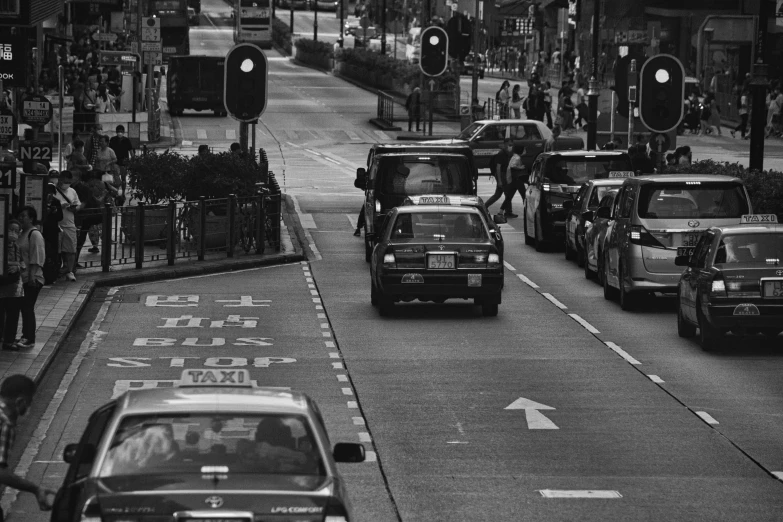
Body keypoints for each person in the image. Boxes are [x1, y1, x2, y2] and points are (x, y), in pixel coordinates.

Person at [0, 375, 56, 519]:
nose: (29, 408)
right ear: (20, 402)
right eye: (29, 402)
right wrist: (35, 489)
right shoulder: (5, 425)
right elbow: (1, 473)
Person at [15, 207, 46, 350]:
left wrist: (32, 276)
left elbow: (37, 257)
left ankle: (29, 338)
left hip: (32, 278)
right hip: (22, 277)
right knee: (23, 307)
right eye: (19, 216)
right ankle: (24, 335)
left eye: (24, 216)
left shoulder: (35, 234)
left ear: (31, 218)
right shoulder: (21, 233)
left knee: (27, 307)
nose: (21, 219)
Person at [53, 171, 82, 281]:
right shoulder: (53, 190)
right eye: (65, 181)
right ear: (60, 179)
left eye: (69, 182)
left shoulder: (72, 191)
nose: (67, 184)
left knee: (70, 249)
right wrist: (61, 206)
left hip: (69, 224)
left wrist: (74, 208)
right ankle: (56, 270)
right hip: (56, 224)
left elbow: (78, 204)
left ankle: (69, 271)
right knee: (57, 250)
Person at [0, 221, 23, 351]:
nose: (13, 233)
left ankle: (9, 340)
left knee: (13, 314)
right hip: (3, 284)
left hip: (14, 286)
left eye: (16, 231)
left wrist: (17, 266)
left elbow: (21, 263)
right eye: (10, 230)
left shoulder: (16, 247)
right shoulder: (1, 245)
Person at [41, 184, 63, 286]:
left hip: (52, 231)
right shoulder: (39, 200)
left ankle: (51, 275)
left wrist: (54, 211)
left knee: (53, 253)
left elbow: (60, 217)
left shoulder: (56, 201)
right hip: (42, 230)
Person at [484, 139, 513, 213]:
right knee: (507, 194)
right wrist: (499, 180)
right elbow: (498, 167)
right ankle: (508, 212)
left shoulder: (507, 153)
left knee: (498, 195)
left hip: (504, 175)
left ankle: (484, 207)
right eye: (509, 144)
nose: (510, 146)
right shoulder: (501, 154)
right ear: (505, 145)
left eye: (511, 145)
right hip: (502, 175)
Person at [109, 125, 134, 195]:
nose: (120, 133)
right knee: (116, 179)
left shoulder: (127, 140)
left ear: (123, 132)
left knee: (123, 179)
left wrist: (133, 161)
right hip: (115, 162)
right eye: (118, 131)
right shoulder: (113, 140)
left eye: (121, 131)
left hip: (124, 162)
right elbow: (109, 150)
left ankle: (123, 193)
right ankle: (116, 192)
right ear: (116, 132)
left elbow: (131, 151)